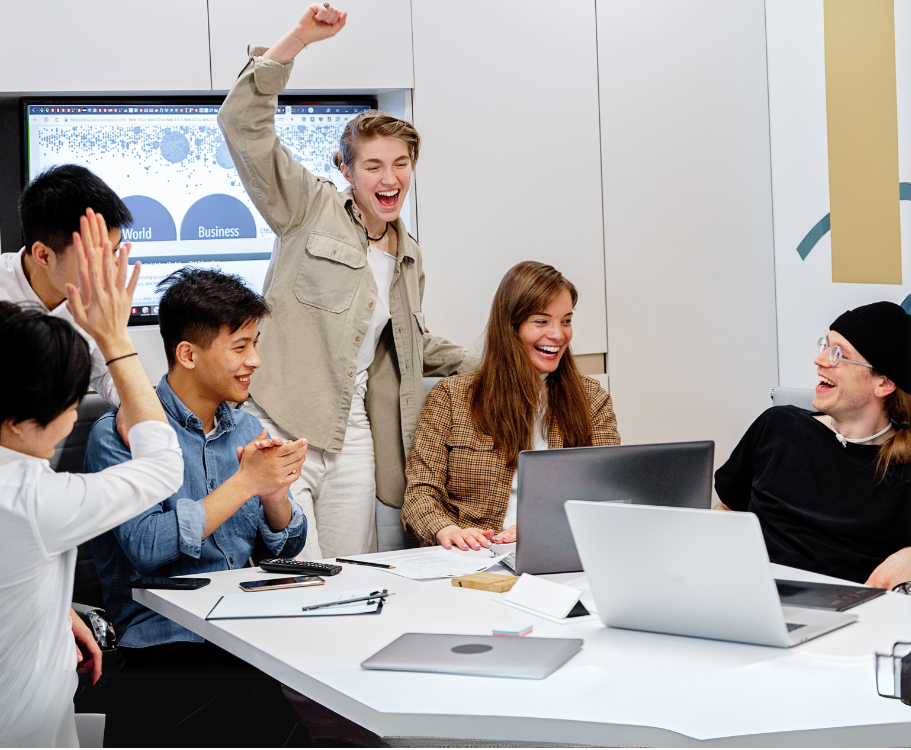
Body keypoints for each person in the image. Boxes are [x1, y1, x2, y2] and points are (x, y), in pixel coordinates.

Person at [218, 3, 475, 560]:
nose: (390, 178)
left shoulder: (409, 255)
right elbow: (242, 124)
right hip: (280, 416)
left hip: (351, 428)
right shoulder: (307, 208)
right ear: (346, 169)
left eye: (400, 164)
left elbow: (411, 342)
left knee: (353, 570)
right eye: (374, 165)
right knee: (297, 567)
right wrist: (298, 41)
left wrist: (498, 361)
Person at [84, 268, 308, 746]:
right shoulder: (118, 436)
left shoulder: (249, 432)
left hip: (245, 631)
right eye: (240, 346)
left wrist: (274, 497)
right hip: (162, 642)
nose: (256, 360)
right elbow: (146, 547)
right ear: (188, 353)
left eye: (256, 343)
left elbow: (282, 552)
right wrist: (245, 483)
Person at [0, 213, 184, 747]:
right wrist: (114, 338)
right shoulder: (36, 501)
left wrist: (57, 612)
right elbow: (161, 465)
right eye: (72, 396)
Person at [401, 261, 621, 549]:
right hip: (472, 556)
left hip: (556, 548)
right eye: (541, 321)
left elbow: (607, 492)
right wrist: (447, 530)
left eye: (566, 320)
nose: (558, 334)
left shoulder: (592, 399)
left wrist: (547, 526)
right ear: (510, 327)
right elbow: (419, 495)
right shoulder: (450, 397)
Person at [715, 301, 911, 587]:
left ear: (883, 384)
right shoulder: (779, 427)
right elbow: (727, 512)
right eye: (825, 345)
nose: (819, 360)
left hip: (853, 614)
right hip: (753, 594)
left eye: (838, 355)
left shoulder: (904, 465)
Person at [0, 165, 135, 442]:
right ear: (44, 255)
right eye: (96, 256)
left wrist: (129, 405)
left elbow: (108, 369)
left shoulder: (95, 296)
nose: (109, 269)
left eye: (116, 251)